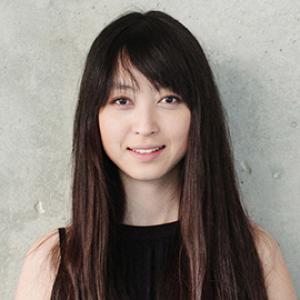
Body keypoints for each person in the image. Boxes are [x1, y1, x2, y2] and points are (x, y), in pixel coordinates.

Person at [15, 9, 297, 300]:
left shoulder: (255, 254)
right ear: (93, 115)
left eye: (168, 99)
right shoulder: (52, 263)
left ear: (198, 113)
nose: (146, 126)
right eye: (122, 100)